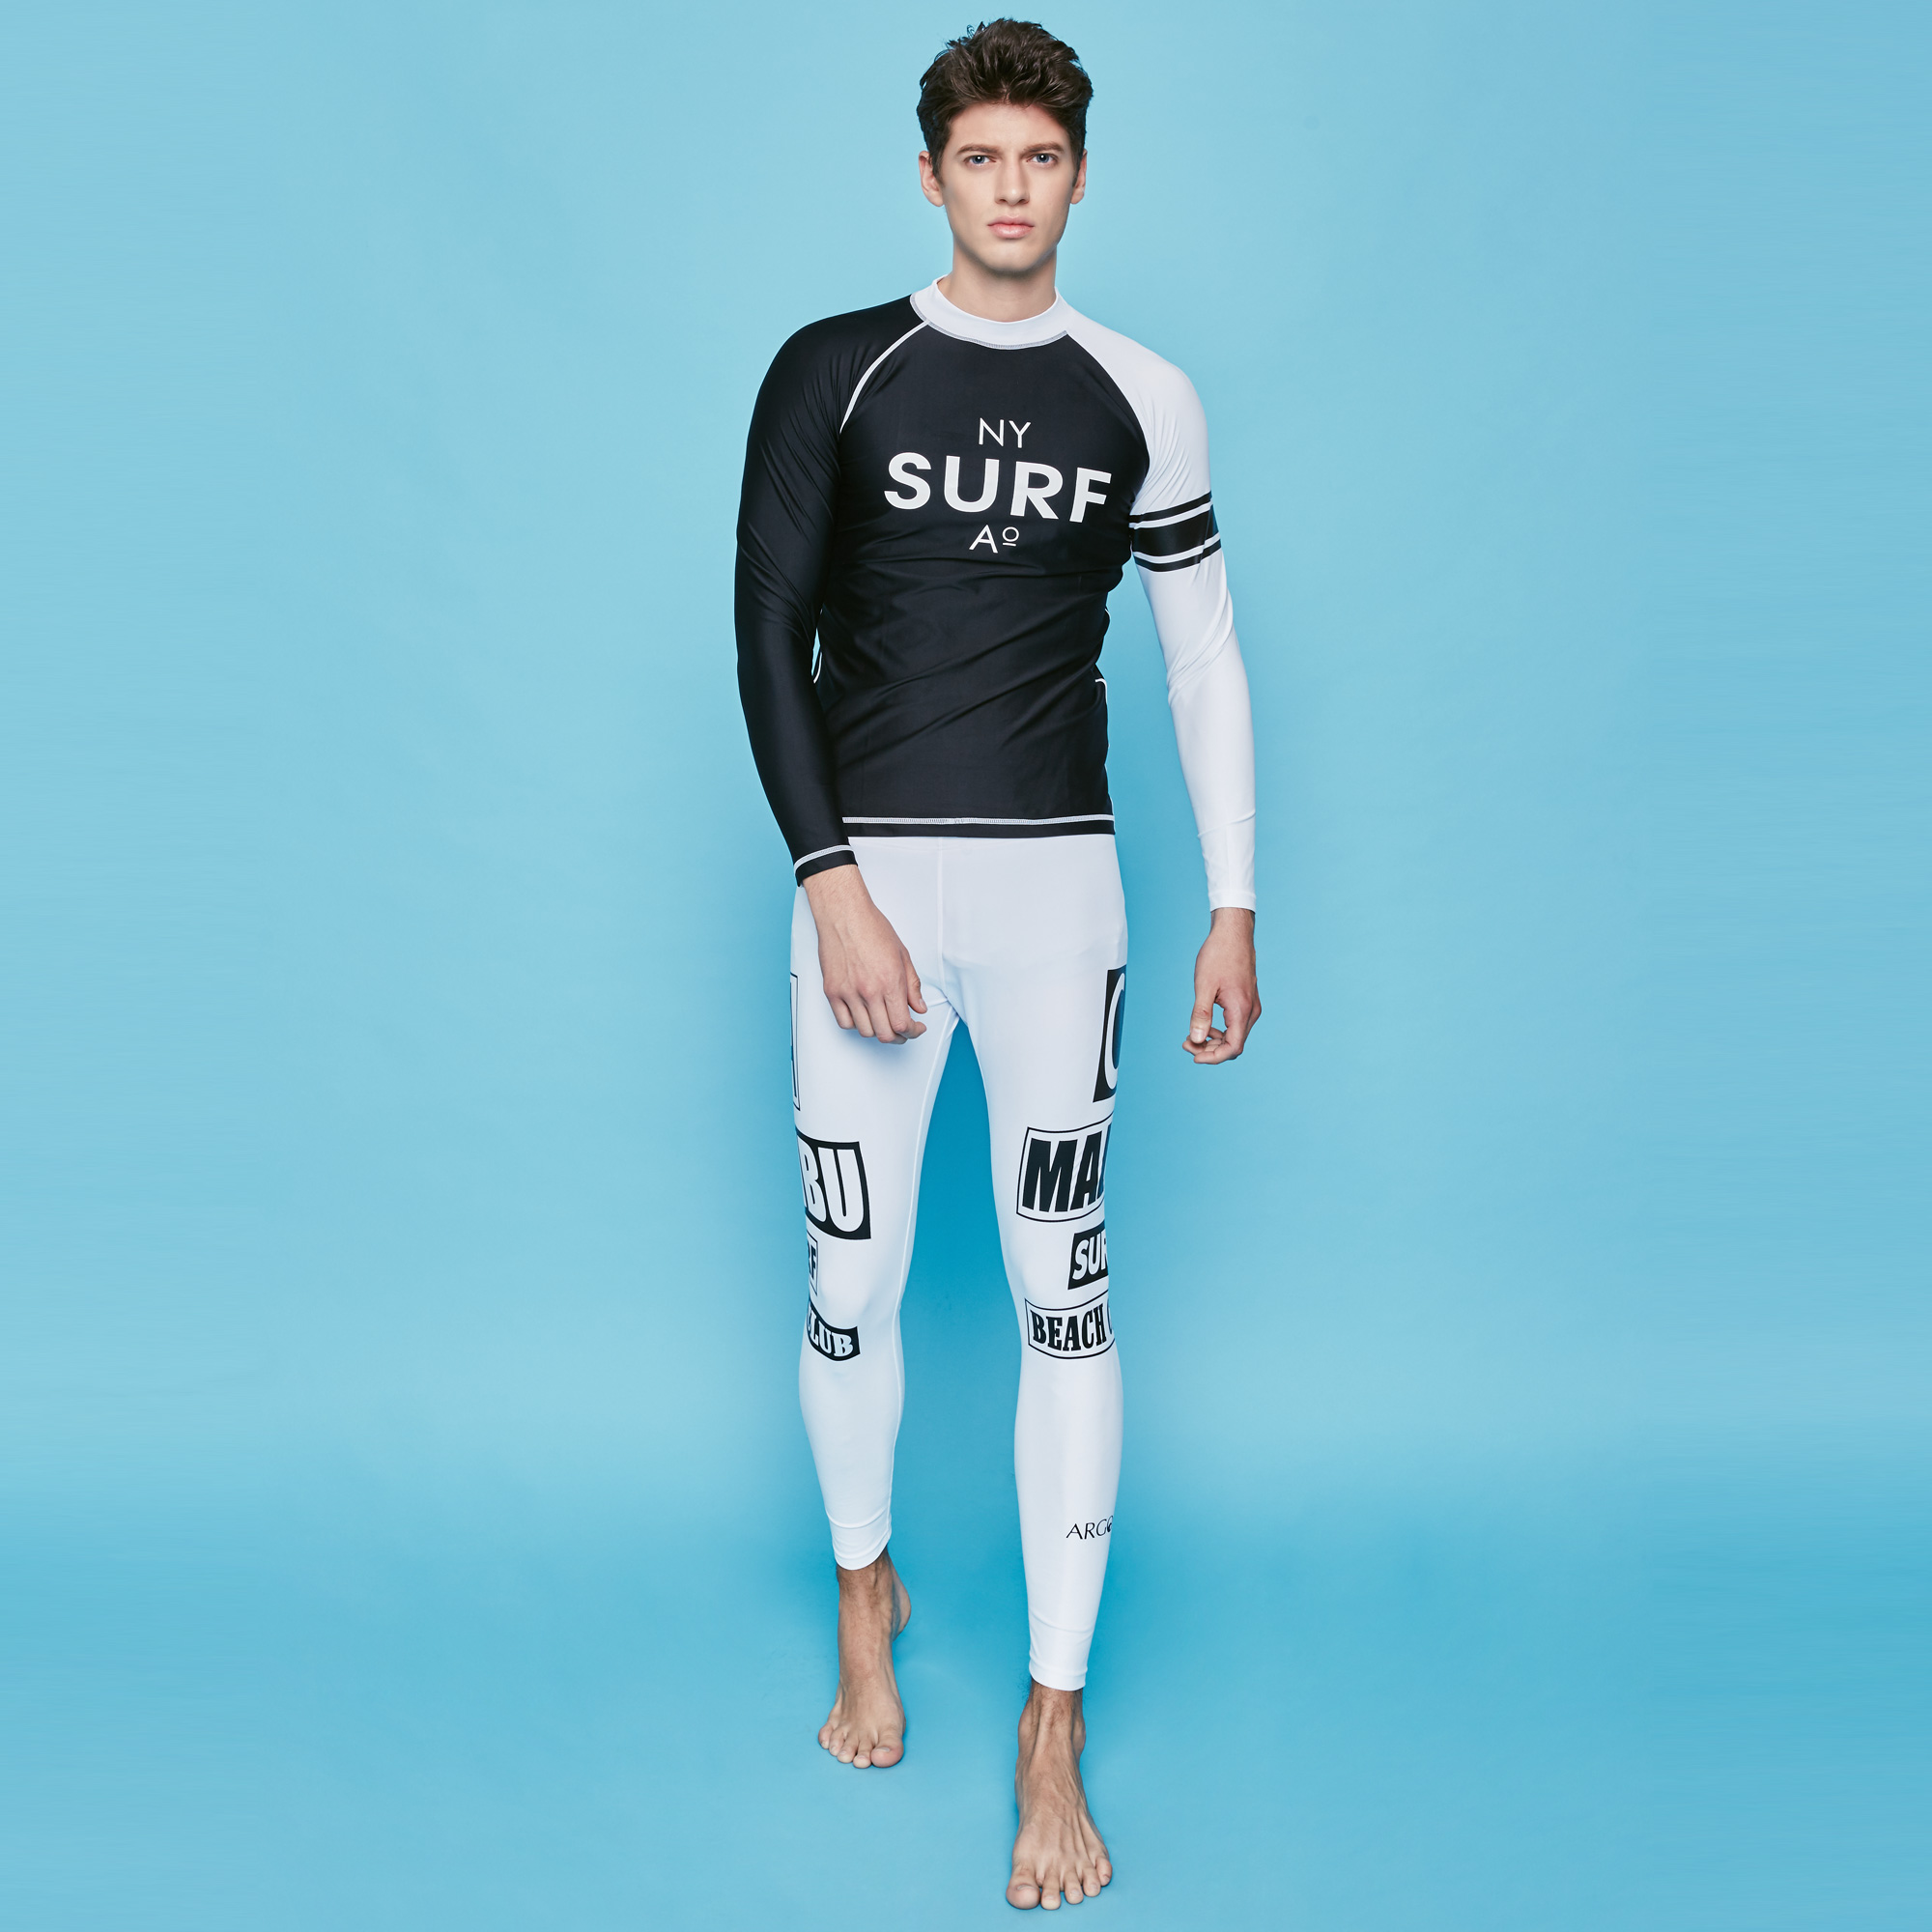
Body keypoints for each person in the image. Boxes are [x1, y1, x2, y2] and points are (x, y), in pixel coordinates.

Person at [735, 18, 1258, 1911]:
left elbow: (1201, 653)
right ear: (934, 175)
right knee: (849, 1283)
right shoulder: (836, 368)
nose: (1012, 187)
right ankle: (863, 1584)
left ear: (1079, 177)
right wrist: (831, 885)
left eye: (1041, 157)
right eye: (982, 158)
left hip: (1059, 908)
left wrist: (1233, 901)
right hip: (871, 897)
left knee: (1065, 1295)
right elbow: (765, 629)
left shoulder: (1144, 394)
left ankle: (1052, 1720)